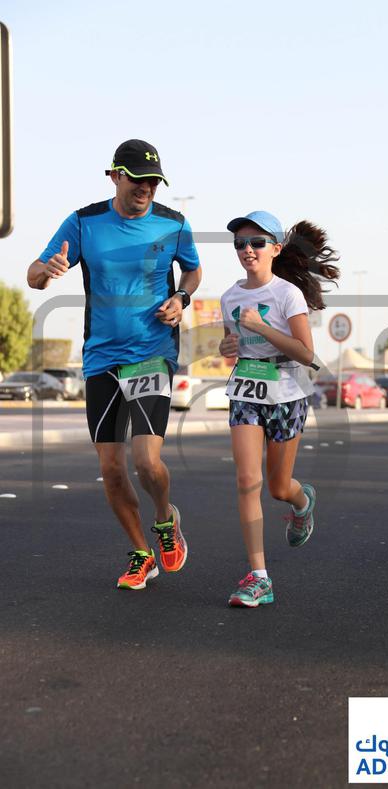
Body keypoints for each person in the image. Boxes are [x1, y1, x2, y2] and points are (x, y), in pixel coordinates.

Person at [27, 139, 202, 590]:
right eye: (138, 179)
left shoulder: (174, 223)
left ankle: (165, 517)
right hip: (101, 358)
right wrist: (48, 271)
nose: (146, 188)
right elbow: (33, 275)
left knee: (146, 461)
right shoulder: (83, 222)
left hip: (151, 353)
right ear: (115, 176)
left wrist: (181, 297)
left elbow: (193, 270)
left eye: (153, 181)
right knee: (111, 468)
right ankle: (141, 553)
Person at [219, 211, 339, 607]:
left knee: (277, 487)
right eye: (240, 243)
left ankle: (301, 501)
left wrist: (262, 327)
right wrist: (226, 346)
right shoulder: (230, 297)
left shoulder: (288, 294)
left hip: (288, 390)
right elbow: (231, 343)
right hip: (246, 390)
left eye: (256, 242)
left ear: (275, 248)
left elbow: (307, 354)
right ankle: (259, 577)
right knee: (246, 480)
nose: (247, 250)